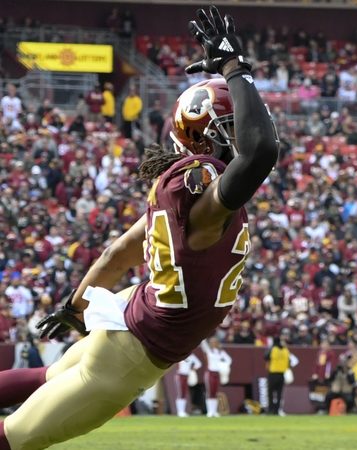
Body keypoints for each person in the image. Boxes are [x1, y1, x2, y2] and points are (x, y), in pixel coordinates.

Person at [0, 6, 279, 448]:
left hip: (132, 312)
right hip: (133, 352)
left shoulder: (181, 192)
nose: (246, 130)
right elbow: (261, 149)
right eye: (231, 127)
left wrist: (74, 308)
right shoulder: (204, 202)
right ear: (206, 138)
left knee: (45, 376)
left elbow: (118, 254)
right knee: (13, 437)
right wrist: (234, 65)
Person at [200, 337, 232, 418]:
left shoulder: (220, 352)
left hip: (217, 373)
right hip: (210, 373)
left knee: (215, 392)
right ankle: (210, 411)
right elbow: (203, 343)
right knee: (210, 392)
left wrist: (222, 365)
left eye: (214, 342)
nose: (213, 343)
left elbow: (229, 360)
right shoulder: (208, 351)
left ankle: (214, 411)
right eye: (211, 342)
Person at [264, 332, 290, 416]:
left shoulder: (273, 349)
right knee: (279, 393)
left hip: (273, 373)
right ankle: (277, 410)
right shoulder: (286, 350)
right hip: (282, 374)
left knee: (270, 393)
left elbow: (265, 357)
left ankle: (271, 409)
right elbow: (289, 361)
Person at [174, 351, 202, 417]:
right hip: (180, 375)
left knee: (184, 393)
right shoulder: (179, 355)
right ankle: (180, 411)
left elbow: (199, 363)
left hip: (187, 376)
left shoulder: (191, 356)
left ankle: (183, 411)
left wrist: (193, 368)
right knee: (180, 393)